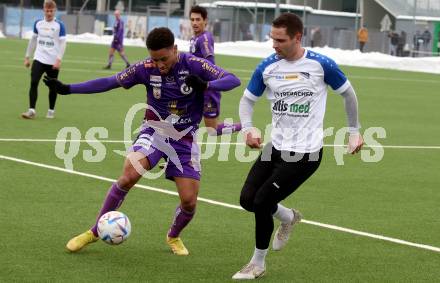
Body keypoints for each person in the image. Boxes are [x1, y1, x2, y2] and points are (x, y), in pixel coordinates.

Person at [44, 27, 241, 255]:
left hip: (185, 138)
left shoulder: (194, 65)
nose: (159, 64)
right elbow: (110, 82)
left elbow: (232, 80)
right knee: (128, 174)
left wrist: (207, 85)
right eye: (154, 59)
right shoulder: (144, 68)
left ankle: (173, 236)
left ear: (175, 49)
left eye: (164, 59)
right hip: (154, 131)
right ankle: (94, 232)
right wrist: (69, 89)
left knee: (189, 202)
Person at [232, 13, 363, 279]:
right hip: (275, 147)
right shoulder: (267, 67)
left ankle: (258, 263)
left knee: (262, 200)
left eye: (280, 40)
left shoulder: (320, 65)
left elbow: (348, 94)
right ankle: (289, 217)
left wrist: (354, 132)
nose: (274, 45)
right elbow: (247, 101)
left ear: (297, 37)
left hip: (306, 153)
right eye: (272, 39)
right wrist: (248, 128)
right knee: (247, 200)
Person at [189, 5, 241, 136]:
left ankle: (243, 126)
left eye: (198, 19)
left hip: (208, 90)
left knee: (212, 130)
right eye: (192, 19)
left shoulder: (204, 39)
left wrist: (203, 81)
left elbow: (209, 61)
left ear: (205, 20)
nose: (194, 23)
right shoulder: (195, 38)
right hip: (197, 88)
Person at [21, 0, 66, 119]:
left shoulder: (59, 25)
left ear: (54, 11)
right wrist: (27, 57)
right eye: (47, 10)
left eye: (51, 11)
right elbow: (33, 40)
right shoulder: (38, 23)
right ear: (44, 10)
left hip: (52, 62)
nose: (49, 13)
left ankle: (51, 110)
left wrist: (58, 60)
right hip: (39, 58)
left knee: (53, 87)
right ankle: (31, 110)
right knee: (34, 82)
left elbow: (63, 43)